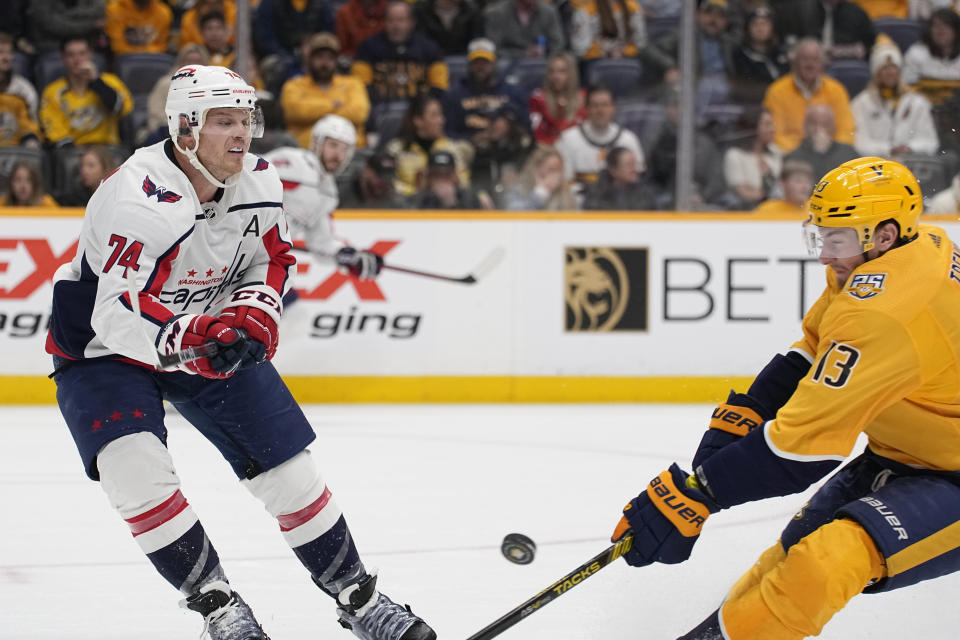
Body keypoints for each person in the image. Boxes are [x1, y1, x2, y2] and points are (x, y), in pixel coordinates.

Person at [45, 65, 435, 640]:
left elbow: (272, 259)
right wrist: (193, 337)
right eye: (223, 122)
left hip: (204, 328)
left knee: (290, 469)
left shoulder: (261, 180)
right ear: (183, 130)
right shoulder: (139, 198)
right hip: (103, 349)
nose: (242, 134)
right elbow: (116, 312)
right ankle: (218, 607)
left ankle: (360, 599)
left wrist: (255, 308)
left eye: (246, 120)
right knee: (134, 471)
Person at [610, 156, 960, 640]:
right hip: (906, 453)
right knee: (794, 552)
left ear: (883, 234)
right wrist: (751, 409)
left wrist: (700, 493)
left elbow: (803, 450)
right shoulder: (898, 251)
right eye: (820, 234)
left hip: (953, 474)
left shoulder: (887, 309)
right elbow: (818, 346)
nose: (824, 254)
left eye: (835, 239)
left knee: (827, 560)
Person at [264, 115, 385, 283]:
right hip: (237, 252)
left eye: (345, 149)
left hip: (265, 264)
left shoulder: (328, 191)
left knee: (293, 307)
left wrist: (348, 256)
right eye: (333, 145)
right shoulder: (295, 161)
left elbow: (321, 241)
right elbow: (247, 176)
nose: (338, 155)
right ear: (315, 143)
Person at [762, 38, 855, 153]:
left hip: (829, 154)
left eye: (815, 59)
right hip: (789, 155)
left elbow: (846, 131)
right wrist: (802, 153)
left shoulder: (837, 90)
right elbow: (776, 135)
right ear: (794, 62)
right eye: (805, 59)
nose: (810, 64)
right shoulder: (776, 91)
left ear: (822, 63)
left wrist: (832, 151)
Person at [279, 33, 370, 149]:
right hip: (303, 151)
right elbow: (295, 111)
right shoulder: (294, 85)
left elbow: (359, 113)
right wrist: (333, 105)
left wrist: (315, 114)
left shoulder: (353, 84)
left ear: (336, 61)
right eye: (320, 57)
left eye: (330, 58)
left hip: (351, 152)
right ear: (310, 59)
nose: (325, 63)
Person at [852, 37, 939, 158]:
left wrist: (909, 148)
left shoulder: (917, 103)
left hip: (911, 163)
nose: (890, 72)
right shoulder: (861, 103)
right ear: (876, 73)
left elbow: (930, 142)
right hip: (875, 165)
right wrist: (889, 150)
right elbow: (859, 143)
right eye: (885, 68)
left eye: (894, 67)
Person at [39, 36, 134, 147]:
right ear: (63, 58)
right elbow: (55, 132)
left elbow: (121, 109)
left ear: (90, 54)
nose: (77, 60)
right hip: (73, 151)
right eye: (71, 55)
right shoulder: (52, 92)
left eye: (82, 54)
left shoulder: (110, 82)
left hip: (107, 148)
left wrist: (96, 82)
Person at [352, 0, 449, 105]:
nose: (396, 26)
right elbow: (360, 86)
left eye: (401, 20)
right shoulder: (367, 48)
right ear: (384, 22)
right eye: (390, 20)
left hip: (419, 111)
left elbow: (439, 87)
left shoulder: (430, 48)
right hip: (379, 109)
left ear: (412, 22)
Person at [554, 84, 645, 193]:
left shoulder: (628, 140)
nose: (600, 111)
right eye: (595, 105)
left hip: (621, 204)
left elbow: (638, 178)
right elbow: (563, 182)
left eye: (605, 105)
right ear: (586, 108)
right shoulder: (568, 140)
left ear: (613, 108)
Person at [384, 93, 474, 196]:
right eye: (434, 115)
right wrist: (415, 193)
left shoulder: (452, 148)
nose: (441, 120)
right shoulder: (396, 149)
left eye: (441, 115)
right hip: (407, 207)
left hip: (445, 206)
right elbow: (389, 184)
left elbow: (465, 182)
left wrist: (452, 182)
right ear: (418, 120)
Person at [443, 38, 528, 143]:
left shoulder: (513, 92)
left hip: (506, 145)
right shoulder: (455, 95)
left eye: (485, 62)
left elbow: (526, 128)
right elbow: (448, 132)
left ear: (494, 63)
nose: (480, 67)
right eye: (476, 62)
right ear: (469, 65)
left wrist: (509, 126)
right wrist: (470, 139)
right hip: (468, 146)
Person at [772, 0, 875, 61]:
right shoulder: (801, 9)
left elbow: (869, 44)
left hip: (845, 62)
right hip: (809, 61)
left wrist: (841, 51)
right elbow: (790, 41)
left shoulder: (856, 13)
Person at [723, 108, 782, 208]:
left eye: (772, 124)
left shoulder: (776, 152)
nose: (773, 129)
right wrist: (768, 197)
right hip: (747, 213)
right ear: (753, 128)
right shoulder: (735, 155)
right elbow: (742, 192)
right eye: (767, 125)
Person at [784, 103, 858, 182]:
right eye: (813, 124)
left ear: (834, 127)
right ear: (805, 126)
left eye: (825, 124)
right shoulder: (794, 157)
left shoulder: (848, 153)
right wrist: (819, 154)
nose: (819, 129)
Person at [903, 8, 960, 106]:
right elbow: (907, 88)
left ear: (956, 30)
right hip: (925, 110)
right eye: (936, 26)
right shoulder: (916, 53)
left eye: (946, 25)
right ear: (929, 31)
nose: (941, 29)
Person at [731, 6, 788, 102]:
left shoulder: (782, 54)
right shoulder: (739, 56)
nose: (760, 28)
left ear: (773, 28)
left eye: (765, 24)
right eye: (755, 24)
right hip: (753, 104)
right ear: (747, 28)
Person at [529, 52, 587, 145]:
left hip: (576, 148)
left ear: (571, 74)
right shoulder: (537, 99)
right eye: (552, 71)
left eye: (562, 71)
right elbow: (536, 134)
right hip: (547, 150)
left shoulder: (583, 98)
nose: (556, 76)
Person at [482, 0, 565, 60]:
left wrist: (544, 53)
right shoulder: (497, 13)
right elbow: (492, 49)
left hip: (541, 63)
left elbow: (557, 45)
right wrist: (522, 54)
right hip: (508, 63)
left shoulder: (549, 12)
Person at [408, 148, 489, 208]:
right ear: (429, 177)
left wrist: (452, 204)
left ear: (454, 176)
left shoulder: (469, 198)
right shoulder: (417, 200)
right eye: (436, 175)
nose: (442, 180)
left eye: (446, 174)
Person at [581, 146, 657, 210]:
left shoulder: (645, 194)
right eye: (629, 165)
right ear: (614, 170)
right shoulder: (595, 196)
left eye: (635, 164)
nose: (635, 169)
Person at [503, 145, 578, 210]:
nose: (555, 175)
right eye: (551, 169)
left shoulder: (566, 191)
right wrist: (540, 193)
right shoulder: (520, 188)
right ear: (536, 168)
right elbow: (514, 214)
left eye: (558, 170)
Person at [568, 0, 647, 60]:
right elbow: (580, 49)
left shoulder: (632, 7)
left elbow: (640, 43)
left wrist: (624, 52)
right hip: (596, 61)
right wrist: (602, 53)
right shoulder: (585, 10)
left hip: (626, 60)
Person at [414, 0, 485, 57]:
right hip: (430, 60)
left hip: (463, 61)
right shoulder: (421, 10)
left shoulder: (472, 11)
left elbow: (477, 41)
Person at [339, 149, 407, 208]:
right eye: (381, 178)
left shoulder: (396, 202)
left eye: (389, 179)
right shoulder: (342, 196)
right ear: (366, 171)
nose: (385, 184)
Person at [750, 157, 815, 216]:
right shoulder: (768, 210)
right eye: (798, 181)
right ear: (783, 184)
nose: (805, 186)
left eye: (807, 182)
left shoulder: (817, 210)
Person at [105, 0, 173, 56]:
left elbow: (162, 46)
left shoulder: (163, 13)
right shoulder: (115, 9)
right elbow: (117, 46)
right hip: (124, 58)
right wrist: (144, 51)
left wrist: (142, 51)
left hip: (153, 58)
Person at [0, 31, 39, 121]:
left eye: (9, 52)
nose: (6, 58)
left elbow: (32, 125)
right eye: (0, 52)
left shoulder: (23, 88)